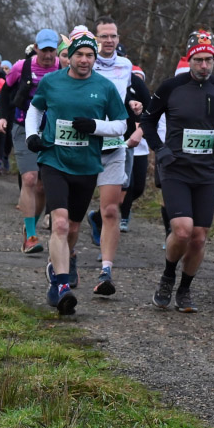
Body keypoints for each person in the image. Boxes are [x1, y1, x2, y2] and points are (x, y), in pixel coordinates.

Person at [141, 29, 214, 313]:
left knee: (199, 237)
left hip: (207, 171)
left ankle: (185, 289)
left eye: (208, 60)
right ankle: (167, 276)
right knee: (183, 230)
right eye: (198, 60)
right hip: (175, 168)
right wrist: (159, 149)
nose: (204, 66)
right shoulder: (171, 87)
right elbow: (147, 121)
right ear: (189, 60)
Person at [25, 26, 127, 315]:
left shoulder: (104, 87)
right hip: (54, 159)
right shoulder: (52, 82)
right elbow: (35, 109)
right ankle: (60, 286)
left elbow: (121, 124)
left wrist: (95, 126)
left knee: (71, 228)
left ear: (95, 58)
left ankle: (59, 264)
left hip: (86, 165)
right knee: (59, 223)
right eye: (79, 54)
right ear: (69, 56)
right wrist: (32, 134)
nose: (84, 60)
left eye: (89, 55)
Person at [81, 16, 137, 295]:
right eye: (104, 36)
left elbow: (126, 97)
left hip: (114, 143)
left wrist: (135, 107)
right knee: (72, 212)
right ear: (95, 38)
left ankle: (106, 271)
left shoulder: (125, 65)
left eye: (113, 36)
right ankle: (65, 261)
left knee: (112, 209)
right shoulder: (84, 62)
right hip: (84, 144)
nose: (109, 41)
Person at [0, 29, 61, 254]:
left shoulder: (62, 68)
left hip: (51, 130)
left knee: (43, 186)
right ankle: (31, 236)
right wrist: (3, 117)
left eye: (52, 50)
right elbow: (6, 93)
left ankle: (29, 225)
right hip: (23, 126)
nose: (48, 55)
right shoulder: (21, 67)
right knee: (30, 178)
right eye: (44, 50)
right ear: (35, 48)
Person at [120, 65, 151, 232]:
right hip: (123, 144)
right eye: (135, 78)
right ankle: (122, 216)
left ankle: (121, 207)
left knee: (138, 188)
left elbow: (154, 119)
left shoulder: (145, 97)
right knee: (127, 185)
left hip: (141, 149)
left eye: (141, 79)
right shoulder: (122, 94)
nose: (138, 82)